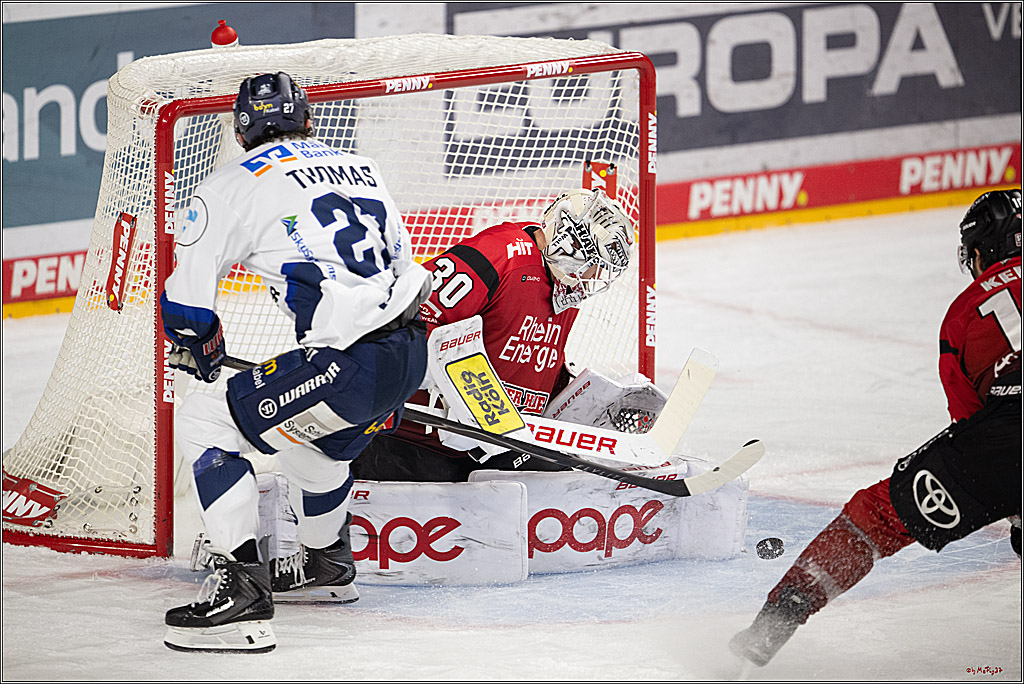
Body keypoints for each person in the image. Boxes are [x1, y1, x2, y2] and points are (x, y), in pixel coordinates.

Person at [159, 72, 430, 653]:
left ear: (240, 128)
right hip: (407, 353)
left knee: (208, 417)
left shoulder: (228, 185)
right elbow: (396, 263)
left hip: (347, 364)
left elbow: (186, 308)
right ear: (307, 118)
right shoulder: (365, 167)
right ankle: (327, 564)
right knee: (315, 446)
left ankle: (241, 596)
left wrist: (198, 346)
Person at [729, 189, 1022, 667]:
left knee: (879, 514)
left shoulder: (967, 308)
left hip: (1009, 429)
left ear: (979, 250)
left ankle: (775, 622)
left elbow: (970, 422)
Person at [350, 187, 636, 482]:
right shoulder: (502, 254)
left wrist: (584, 400)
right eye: (595, 262)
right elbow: (407, 320)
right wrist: (457, 394)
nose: (594, 276)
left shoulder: (567, 291)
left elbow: (529, 361)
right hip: (408, 439)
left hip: (492, 447)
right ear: (570, 241)